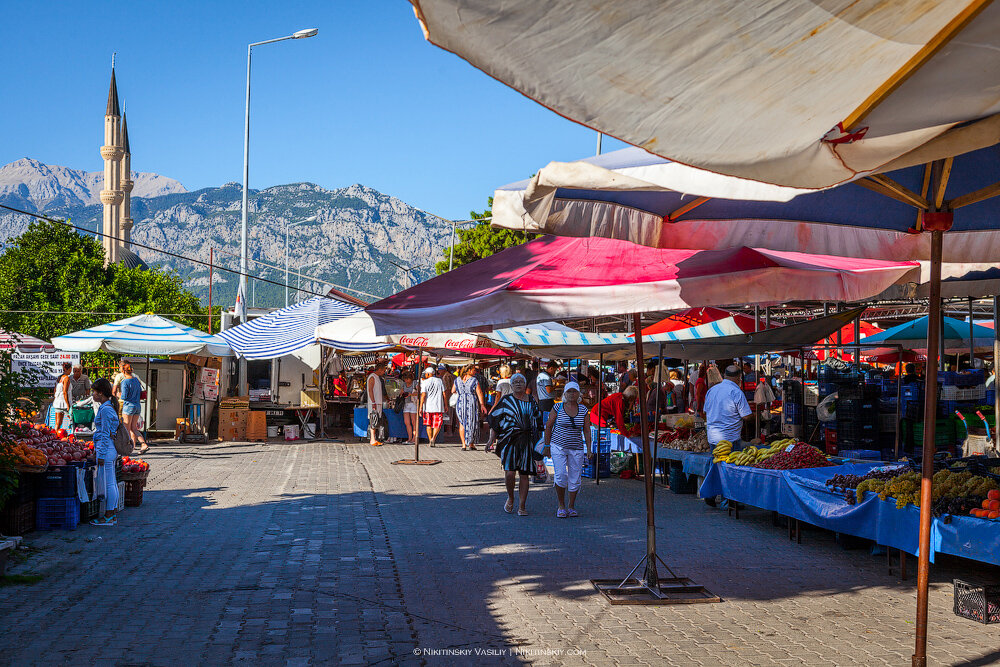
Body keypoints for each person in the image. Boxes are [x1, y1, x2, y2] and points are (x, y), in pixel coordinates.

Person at [489, 373, 544, 516]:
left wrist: (542, 444)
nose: (518, 384)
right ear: (511, 385)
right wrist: (490, 440)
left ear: (525, 385)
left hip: (527, 442)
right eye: (515, 382)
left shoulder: (532, 400)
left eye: (521, 381)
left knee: (524, 475)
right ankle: (511, 497)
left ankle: (522, 505)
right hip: (509, 441)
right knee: (510, 474)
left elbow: (538, 423)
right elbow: (495, 421)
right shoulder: (506, 400)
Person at [543, 381, 593, 517]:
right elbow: (548, 426)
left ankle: (571, 506)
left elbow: (587, 431)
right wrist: (547, 446)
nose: (572, 394)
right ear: (565, 393)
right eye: (569, 391)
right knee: (560, 476)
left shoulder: (583, 410)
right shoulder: (557, 407)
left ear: (579, 394)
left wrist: (589, 449)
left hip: (576, 447)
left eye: (574, 391)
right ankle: (561, 505)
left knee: (575, 478)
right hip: (558, 446)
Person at [90, 378, 120, 526]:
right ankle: (112, 514)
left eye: (94, 392)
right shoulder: (107, 407)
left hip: (106, 450)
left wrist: (100, 454)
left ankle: (108, 516)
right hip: (108, 449)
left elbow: (105, 434)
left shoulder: (106, 409)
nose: (93, 395)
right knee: (112, 482)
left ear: (100, 393)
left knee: (109, 484)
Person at [704, 365, 754, 448]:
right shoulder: (736, 392)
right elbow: (746, 416)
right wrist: (756, 416)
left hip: (712, 439)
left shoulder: (712, 390)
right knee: (731, 460)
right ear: (739, 378)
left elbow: (705, 412)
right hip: (730, 440)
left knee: (716, 460)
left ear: (724, 376)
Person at [117, 363, 147, 453]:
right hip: (137, 406)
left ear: (123, 371)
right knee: (134, 428)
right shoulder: (136, 380)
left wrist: (119, 395)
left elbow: (124, 396)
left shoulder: (125, 382)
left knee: (126, 428)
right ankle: (143, 444)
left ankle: (126, 447)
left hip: (128, 406)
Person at [455, 364, 486, 450]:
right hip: (471, 402)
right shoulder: (474, 380)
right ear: (469, 370)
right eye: (474, 370)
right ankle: (471, 444)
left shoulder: (457, 379)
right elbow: (479, 392)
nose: (475, 371)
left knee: (462, 423)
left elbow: (453, 390)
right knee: (471, 422)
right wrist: (482, 404)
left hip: (460, 402)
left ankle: (463, 444)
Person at [419, 367, 445, 447]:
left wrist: (420, 407)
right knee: (437, 424)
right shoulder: (440, 380)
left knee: (428, 424)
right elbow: (444, 393)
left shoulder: (425, 382)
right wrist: (446, 404)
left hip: (428, 407)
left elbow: (423, 395)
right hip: (438, 406)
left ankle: (430, 439)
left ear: (428, 374)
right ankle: (433, 438)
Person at [366, 360, 388, 446]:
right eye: (383, 370)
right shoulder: (372, 377)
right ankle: (372, 439)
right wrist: (373, 401)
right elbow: (370, 390)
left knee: (376, 421)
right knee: (373, 420)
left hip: (378, 403)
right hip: (374, 403)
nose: (384, 372)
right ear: (379, 369)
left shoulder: (378, 377)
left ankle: (375, 438)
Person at [400, 371, 419, 445]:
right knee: (407, 422)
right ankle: (409, 438)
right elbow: (401, 392)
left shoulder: (415, 383)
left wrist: (411, 394)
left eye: (407, 379)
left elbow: (419, 392)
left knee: (414, 422)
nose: (406, 381)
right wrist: (402, 393)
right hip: (406, 403)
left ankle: (414, 438)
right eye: (405, 379)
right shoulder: (404, 384)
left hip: (413, 403)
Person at [52, 362, 72, 431]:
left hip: (57, 402)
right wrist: (68, 404)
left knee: (57, 423)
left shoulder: (59, 377)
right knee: (72, 419)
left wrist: (55, 399)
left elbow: (55, 390)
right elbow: (65, 392)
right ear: (69, 369)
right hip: (64, 403)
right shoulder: (66, 378)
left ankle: (55, 436)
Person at [439, 363, 455, 436]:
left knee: (448, 415)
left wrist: (446, 400)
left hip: (448, 398)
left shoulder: (446, 377)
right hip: (451, 398)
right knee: (450, 415)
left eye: (439, 370)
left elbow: (447, 389)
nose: (439, 372)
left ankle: (449, 432)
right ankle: (450, 431)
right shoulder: (451, 375)